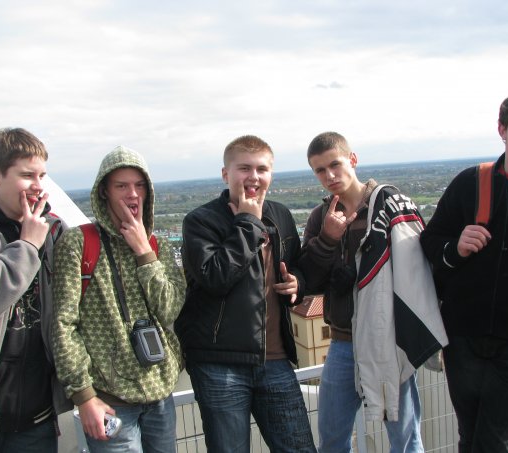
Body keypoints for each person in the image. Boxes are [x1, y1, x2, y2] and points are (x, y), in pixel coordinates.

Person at [420, 88, 508, 452]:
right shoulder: (471, 181)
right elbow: (430, 240)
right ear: (502, 129)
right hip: (463, 335)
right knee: (470, 437)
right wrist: (455, 247)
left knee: (493, 442)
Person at [299, 132, 446, 453]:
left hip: (387, 341)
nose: (329, 175)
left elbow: (417, 270)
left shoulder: (388, 205)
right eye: (320, 170)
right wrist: (328, 240)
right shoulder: (320, 217)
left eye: (335, 165)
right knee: (332, 438)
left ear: (352, 160)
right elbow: (309, 279)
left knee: (404, 438)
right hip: (343, 342)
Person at [174, 135, 316, 453]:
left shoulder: (280, 215)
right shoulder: (200, 221)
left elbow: (296, 266)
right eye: (244, 168)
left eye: (262, 169)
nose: (254, 176)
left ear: (271, 174)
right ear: (226, 174)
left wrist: (297, 283)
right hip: (219, 363)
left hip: (275, 359)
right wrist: (248, 223)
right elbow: (214, 278)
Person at [52, 146, 184, 453]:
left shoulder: (159, 246)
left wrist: (144, 252)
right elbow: (63, 325)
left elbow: (169, 310)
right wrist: (84, 396)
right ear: (105, 192)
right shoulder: (78, 243)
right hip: (110, 400)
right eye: (121, 186)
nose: (132, 194)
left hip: (160, 394)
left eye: (139, 185)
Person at [0, 128, 71, 452]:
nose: (38, 185)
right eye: (27, 175)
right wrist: (26, 246)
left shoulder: (55, 231)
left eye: (42, 175)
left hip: (38, 417)